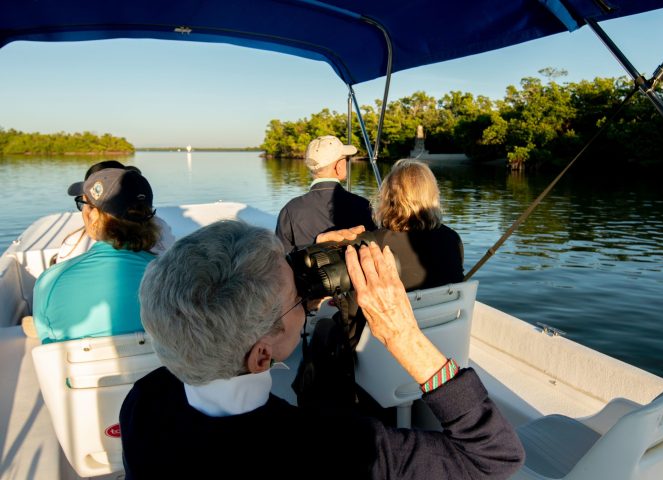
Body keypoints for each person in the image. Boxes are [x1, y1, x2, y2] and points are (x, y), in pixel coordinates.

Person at [120, 220, 524, 479]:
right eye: (298, 299)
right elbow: (495, 457)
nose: (305, 300)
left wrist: (287, 273)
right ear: (262, 355)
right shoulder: (338, 449)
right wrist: (403, 333)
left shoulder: (144, 402)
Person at [32, 168, 160, 343]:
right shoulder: (176, 277)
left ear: (93, 214)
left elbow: (46, 340)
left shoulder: (50, 281)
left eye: (82, 204)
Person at [52, 160, 174, 264]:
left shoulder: (73, 244)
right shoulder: (161, 230)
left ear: (94, 213)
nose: (85, 211)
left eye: (85, 203)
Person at [372, 159, 464, 291]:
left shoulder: (376, 242)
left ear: (388, 196)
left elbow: (354, 306)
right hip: (442, 311)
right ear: (432, 194)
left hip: (395, 311)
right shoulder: (452, 239)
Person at [275, 135, 376, 254]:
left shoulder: (290, 210)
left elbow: (279, 259)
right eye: (346, 160)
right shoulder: (363, 206)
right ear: (339, 167)